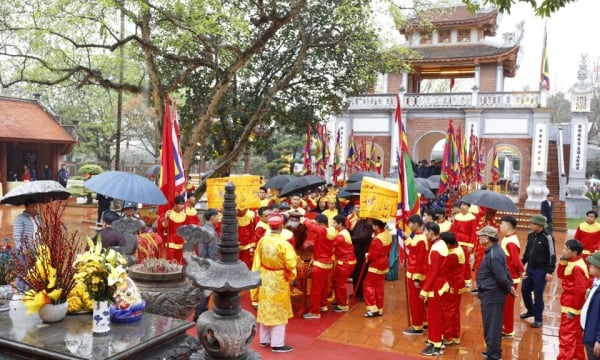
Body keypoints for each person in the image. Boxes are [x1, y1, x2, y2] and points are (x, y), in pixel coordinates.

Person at [252, 214, 297, 353]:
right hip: (278, 278)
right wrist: (292, 275)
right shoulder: (284, 244)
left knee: (265, 307)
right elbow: (291, 263)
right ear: (281, 226)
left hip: (265, 276)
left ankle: (264, 339)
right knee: (278, 310)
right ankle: (277, 344)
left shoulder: (263, 240)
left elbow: (257, 259)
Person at [476, 226, 516, 360]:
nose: (479, 238)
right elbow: (505, 271)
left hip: (492, 294)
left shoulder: (494, 254)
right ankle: (492, 350)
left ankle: (493, 355)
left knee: (492, 326)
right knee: (491, 324)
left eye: (481, 236)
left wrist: (506, 288)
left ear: (487, 238)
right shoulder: (494, 251)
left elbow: (500, 276)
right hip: (491, 293)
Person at [520, 214, 556, 328]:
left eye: (533, 224)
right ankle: (531, 310)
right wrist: (522, 264)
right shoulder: (530, 235)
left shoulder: (548, 237)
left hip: (541, 271)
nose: (531, 225)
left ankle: (538, 319)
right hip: (530, 269)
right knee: (525, 290)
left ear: (540, 225)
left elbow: (552, 254)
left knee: (538, 294)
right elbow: (527, 250)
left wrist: (550, 271)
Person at [557, 239, 590, 360]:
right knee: (575, 335)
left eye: (566, 249)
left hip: (571, 304)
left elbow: (580, 289)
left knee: (566, 336)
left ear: (574, 252)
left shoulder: (577, 267)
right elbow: (561, 275)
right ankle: (578, 357)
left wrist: (573, 308)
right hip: (569, 302)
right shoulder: (572, 261)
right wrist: (563, 262)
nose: (564, 250)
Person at [419, 222, 448, 356]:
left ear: (431, 232)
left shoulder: (436, 248)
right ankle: (437, 340)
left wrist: (424, 290)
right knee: (437, 314)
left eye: (425, 231)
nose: (424, 234)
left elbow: (433, 272)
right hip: (439, 283)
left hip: (436, 285)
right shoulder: (439, 244)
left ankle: (435, 345)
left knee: (434, 316)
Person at [302, 214, 333, 319]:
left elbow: (311, 227)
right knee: (324, 286)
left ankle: (315, 312)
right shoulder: (331, 230)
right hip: (328, 263)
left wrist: (305, 220)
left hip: (320, 264)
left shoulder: (323, 231)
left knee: (315, 289)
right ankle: (323, 305)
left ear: (321, 224)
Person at [402, 214, 429, 335]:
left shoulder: (422, 239)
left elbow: (420, 260)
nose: (409, 225)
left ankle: (417, 326)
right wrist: (407, 238)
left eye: (411, 224)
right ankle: (423, 321)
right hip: (414, 271)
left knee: (415, 302)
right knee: (418, 301)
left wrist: (417, 278)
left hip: (416, 274)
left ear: (417, 224)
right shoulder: (418, 237)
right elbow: (413, 249)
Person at [499, 215, 524, 338]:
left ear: (508, 225)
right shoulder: (507, 238)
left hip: (511, 277)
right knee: (504, 304)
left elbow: (516, 261)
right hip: (507, 275)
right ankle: (504, 326)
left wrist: (521, 271)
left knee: (508, 305)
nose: (500, 226)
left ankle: (508, 330)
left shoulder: (511, 242)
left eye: (501, 224)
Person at [193, 209, 220, 321]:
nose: (218, 219)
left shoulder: (201, 229)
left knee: (201, 289)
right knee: (207, 290)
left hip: (201, 262)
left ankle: (198, 312)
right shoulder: (212, 233)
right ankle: (200, 313)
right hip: (209, 263)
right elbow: (213, 253)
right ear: (212, 217)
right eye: (217, 217)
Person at [441, 231, 466, 347]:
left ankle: (447, 337)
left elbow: (443, 268)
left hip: (452, 286)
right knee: (455, 312)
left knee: (448, 311)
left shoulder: (452, 255)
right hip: (458, 284)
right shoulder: (457, 248)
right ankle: (455, 335)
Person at [363, 218, 391, 318]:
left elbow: (373, 254)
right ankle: (379, 309)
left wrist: (367, 255)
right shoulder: (387, 234)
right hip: (384, 262)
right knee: (379, 286)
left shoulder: (378, 239)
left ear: (376, 226)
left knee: (368, 285)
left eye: (373, 225)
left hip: (376, 264)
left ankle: (372, 309)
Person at [331, 214, 356, 312]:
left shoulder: (341, 235)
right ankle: (340, 300)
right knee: (335, 280)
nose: (332, 225)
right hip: (344, 261)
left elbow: (331, 244)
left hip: (346, 262)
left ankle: (343, 305)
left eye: (334, 223)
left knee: (340, 283)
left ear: (340, 224)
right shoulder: (342, 232)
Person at [450, 201, 477, 287]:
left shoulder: (472, 218)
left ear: (468, 207)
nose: (462, 206)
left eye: (465, 205)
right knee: (456, 262)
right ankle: (458, 279)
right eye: (461, 205)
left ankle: (467, 280)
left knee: (465, 263)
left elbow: (473, 232)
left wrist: (471, 245)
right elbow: (454, 230)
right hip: (457, 242)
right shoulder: (457, 217)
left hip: (466, 243)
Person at [157, 196, 189, 264]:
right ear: (175, 204)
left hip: (181, 240)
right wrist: (165, 218)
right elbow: (164, 227)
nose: (182, 206)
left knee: (179, 261)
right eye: (180, 204)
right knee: (170, 260)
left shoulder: (184, 215)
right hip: (171, 239)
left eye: (183, 204)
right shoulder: (169, 213)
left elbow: (186, 229)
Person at [350, 210, 372, 301]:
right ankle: (355, 291)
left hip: (363, 251)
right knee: (355, 272)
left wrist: (350, 238)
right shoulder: (359, 222)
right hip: (356, 251)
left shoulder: (369, 225)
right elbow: (353, 232)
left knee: (362, 273)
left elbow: (363, 237)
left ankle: (362, 294)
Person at [582, 251, 600, 360]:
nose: (589, 266)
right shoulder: (596, 282)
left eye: (592, 264)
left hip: (595, 339)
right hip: (590, 334)